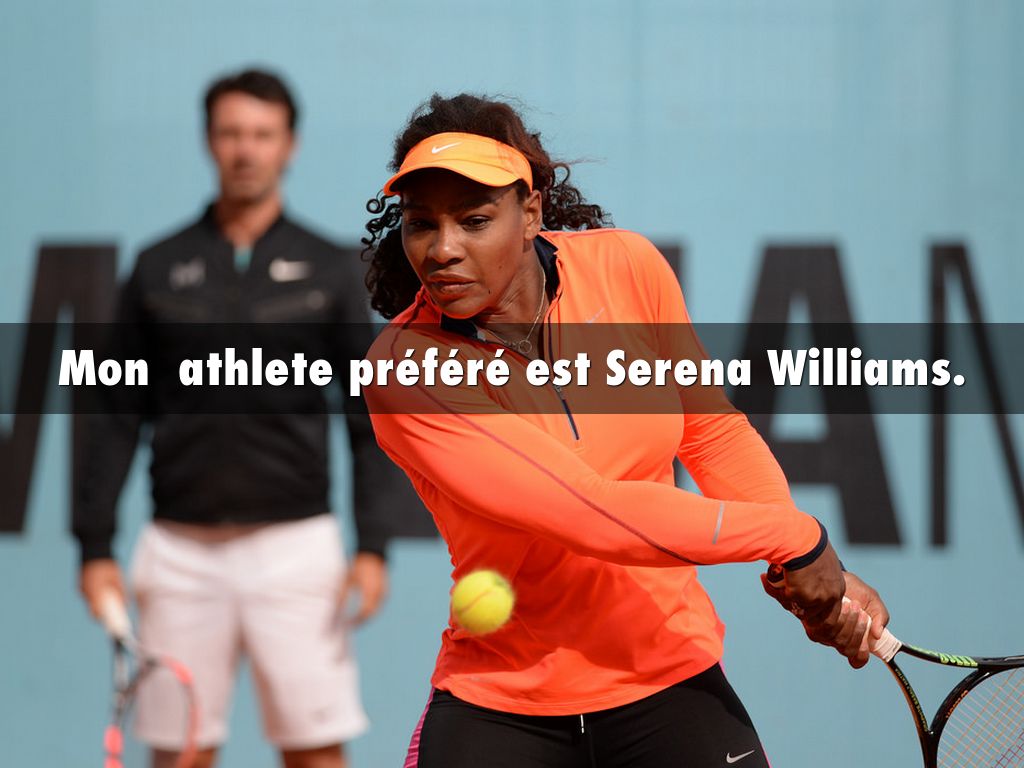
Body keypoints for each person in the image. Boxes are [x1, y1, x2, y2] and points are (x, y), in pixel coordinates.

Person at [360, 93, 891, 768]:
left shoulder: (626, 266)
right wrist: (797, 539)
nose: (442, 249)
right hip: (503, 705)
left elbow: (710, 431)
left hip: (669, 673)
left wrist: (802, 571)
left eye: (474, 220)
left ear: (531, 213)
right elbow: (589, 512)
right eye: (421, 224)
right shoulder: (404, 366)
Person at [74, 69, 397, 768]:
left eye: (262, 134)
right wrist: (94, 545)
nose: (246, 150)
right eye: (231, 134)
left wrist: (373, 544)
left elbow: (368, 417)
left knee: (316, 753)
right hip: (179, 552)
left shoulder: (330, 268)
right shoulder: (157, 266)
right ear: (209, 142)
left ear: (290, 145)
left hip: (298, 550)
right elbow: (115, 411)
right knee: (182, 754)